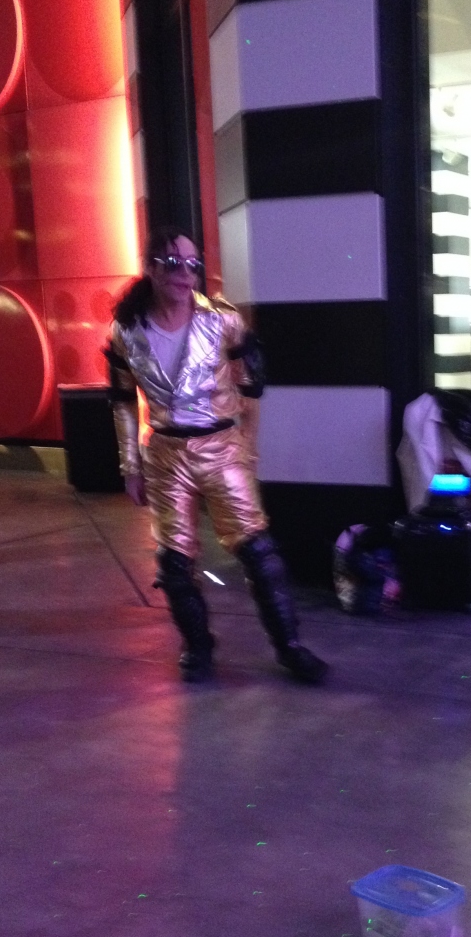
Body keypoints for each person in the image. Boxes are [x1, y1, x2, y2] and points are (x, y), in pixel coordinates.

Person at [105, 227, 327, 685]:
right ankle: (198, 646)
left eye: (192, 264)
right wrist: (130, 465)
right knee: (174, 564)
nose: (184, 274)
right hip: (166, 454)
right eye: (172, 263)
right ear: (149, 268)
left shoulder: (222, 321)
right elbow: (122, 399)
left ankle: (289, 647)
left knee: (258, 552)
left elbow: (251, 387)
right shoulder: (127, 330)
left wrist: (249, 448)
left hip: (222, 447)